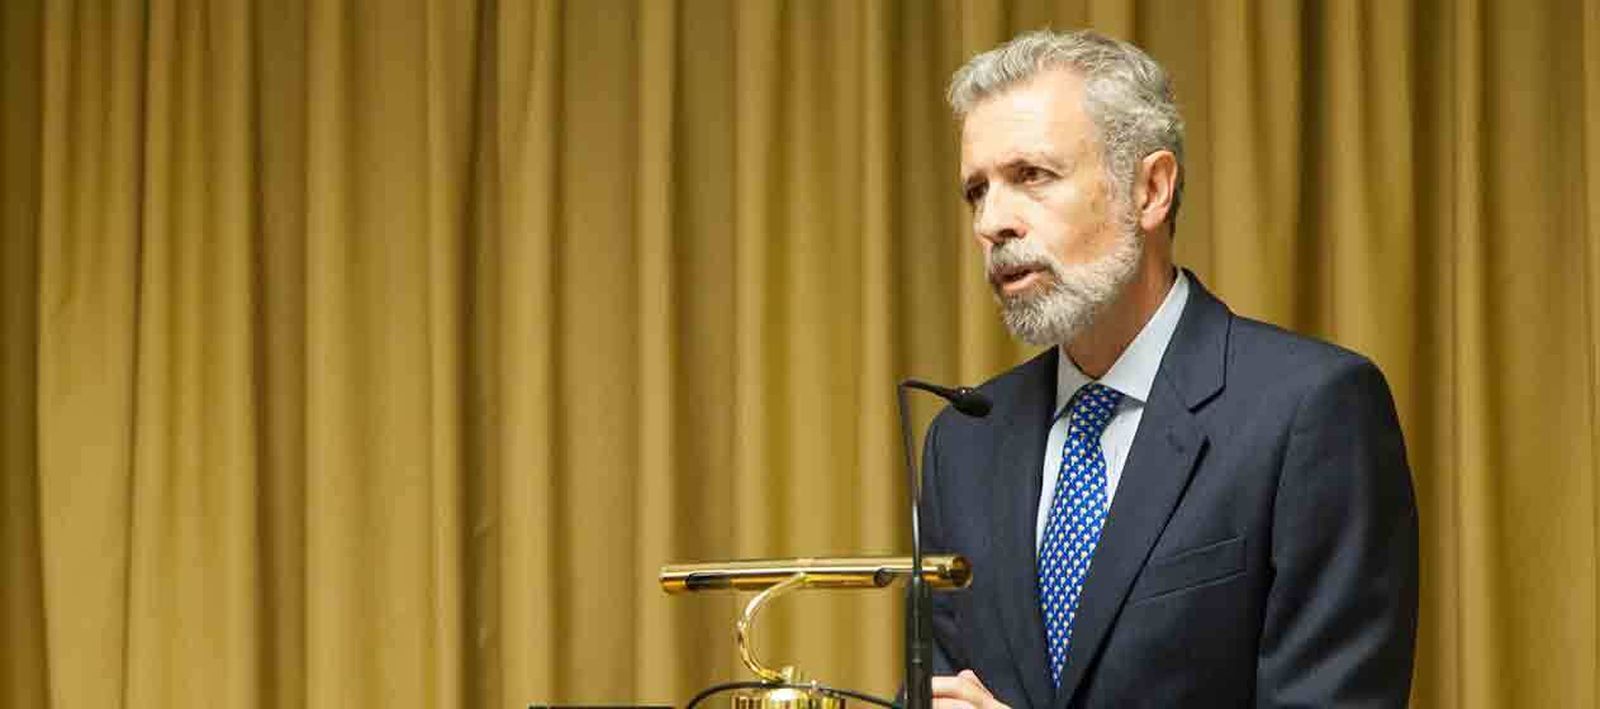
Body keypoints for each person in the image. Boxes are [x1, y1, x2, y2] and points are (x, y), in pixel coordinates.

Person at [921, 29, 1418, 708]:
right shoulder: (964, 439)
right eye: (977, 191)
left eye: (1031, 176)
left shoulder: (1311, 409)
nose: (993, 222)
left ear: (1150, 189)